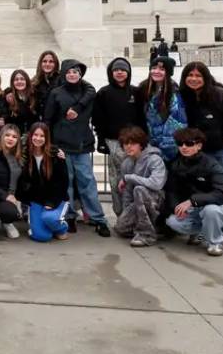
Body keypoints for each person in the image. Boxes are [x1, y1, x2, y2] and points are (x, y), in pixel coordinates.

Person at [179, 61, 223, 243]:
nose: (193, 79)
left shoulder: (220, 94)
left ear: (206, 77)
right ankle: (208, 227)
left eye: (198, 76)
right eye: (190, 75)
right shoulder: (186, 97)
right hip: (205, 150)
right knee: (206, 188)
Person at [43, 59, 110, 236]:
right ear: (64, 74)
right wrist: (50, 143)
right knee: (67, 183)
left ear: (80, 75)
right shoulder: (56, 93)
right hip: (62, 144)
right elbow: (48, 119)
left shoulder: (87, 92)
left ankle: (98, 218)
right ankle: (70, 215)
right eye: (69, 72)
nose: (72, 74)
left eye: (76, 72)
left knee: (87, 182)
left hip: (82, 144)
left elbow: (92, 96)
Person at [165, 128, 223, 256]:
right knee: (172, 221)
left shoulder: (211, 164)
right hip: (192, 209)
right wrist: (176, 208)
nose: (184, 147)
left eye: (189, 144)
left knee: (211, 211)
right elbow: (171, 191)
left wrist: (193, 201)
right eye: (180, 144)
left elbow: (222, 193)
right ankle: (200, 232)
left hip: (212, 206)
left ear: (199, 145)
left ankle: (215, 242)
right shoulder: (175, 165)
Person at [93, 57, 145, 216]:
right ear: (111, 72)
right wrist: (101, 140)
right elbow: (98, 119)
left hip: (134, 142)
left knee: (134, 179)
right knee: (116, 180)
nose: (120, 73)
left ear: (128, 72)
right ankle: (120, 213)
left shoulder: (136, 92)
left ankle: (134, 213)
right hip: (113, 141)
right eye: (116, 70)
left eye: (123, 70)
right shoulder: (104, 92)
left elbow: (142, 117)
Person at [16, 123, 72, 242]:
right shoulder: (25, 154)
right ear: (30, 136)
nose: (38, 138)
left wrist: (52, 202)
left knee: (49, 218)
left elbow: (63, 182)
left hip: (56, 199)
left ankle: (61, 228)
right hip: (36, 200)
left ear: (47, 138)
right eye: (35, 135)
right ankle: (46, 228)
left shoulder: (55, 154)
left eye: (42, 136)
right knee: (42, 236)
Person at [112, 127, 167, 247]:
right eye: (126, 143)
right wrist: (125, 214)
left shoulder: (155, 159)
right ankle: (154, 228)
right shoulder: (126, 163)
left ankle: (146, 235)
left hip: (157, 201)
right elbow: (127, 193)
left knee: (139, 190)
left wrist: (129, 177)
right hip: (138, 202)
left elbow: (156, 184)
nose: (128, 147)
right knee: (120, 228)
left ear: (141, 144)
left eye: (133, 143)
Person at [141, 55, 187, 162]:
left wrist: (166, 148)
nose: (156, 71)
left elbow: (177, 122)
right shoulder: (144, 89)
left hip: (165, 147)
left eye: (162, 69)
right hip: (148, 145)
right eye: (154, 68)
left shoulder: (173, 93)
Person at [3, 68, 37, 133]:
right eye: (16, 80)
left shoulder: (34, 95)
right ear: (12, 83)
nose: (19, 81)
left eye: (22, 79)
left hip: (31, 135)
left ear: (27, 81)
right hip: (13, 135)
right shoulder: (8, 97)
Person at [31, 50, 61, 120]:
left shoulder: (62, 78)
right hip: (42, 122)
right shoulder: (35, 81)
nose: (47, 64)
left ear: (56, 64)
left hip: (58, 122)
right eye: (44, 61)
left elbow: (89, 88)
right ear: (40, 63)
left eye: (51, 62)